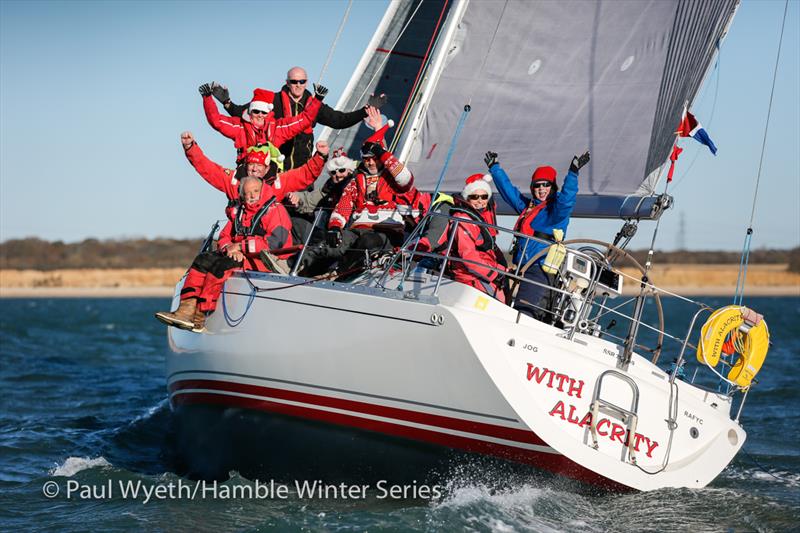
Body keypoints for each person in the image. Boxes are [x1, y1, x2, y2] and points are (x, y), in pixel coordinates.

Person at [154, 177, 294, 332]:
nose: (252, 196)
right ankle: (185, 311)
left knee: (220, 267)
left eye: (255, 191)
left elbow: (276, 244)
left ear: (263, 190)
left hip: (266, 261)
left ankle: (201, 316)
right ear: (242, 196)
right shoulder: (240, 212)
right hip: (239, 255)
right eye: (247, 193)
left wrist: (240, 247)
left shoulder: (276, 210)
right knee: (203, 259)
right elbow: (224, 236)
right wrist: (229, 248)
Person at [211, 67, 387, 169]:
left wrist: (366, 110)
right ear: (287, 82)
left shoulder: (314, 104)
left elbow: (339, 120)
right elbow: (245, 115)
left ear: (306, 82)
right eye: (294, 82)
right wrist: (226, 102)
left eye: (302, 82)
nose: (298, 85)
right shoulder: (272, 100)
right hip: (275, 168)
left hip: (302, 169)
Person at [485, 150, 590, 320]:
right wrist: (495, 168)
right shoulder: (529, 208)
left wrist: (573, 174)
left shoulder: (555, 211)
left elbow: (567, 200)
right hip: (522, 269)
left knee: (524, 314)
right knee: (512, 310)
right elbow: (510, 193)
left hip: (540, 269)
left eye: (546, 185)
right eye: (537, 185)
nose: (541, 189)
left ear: (553, 186)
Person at [326, 121, 427, 272]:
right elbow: (343, 206)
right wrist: (335, 227)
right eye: (367, 158)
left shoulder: (393, 179)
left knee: (368, 242)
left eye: (375, 157)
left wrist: (383, 153)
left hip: (387, 233)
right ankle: (303, 276)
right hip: (358, 229)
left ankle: (340, 274)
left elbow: (406, 179)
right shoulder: (356, 181)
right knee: (328, 244)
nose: (371, 162)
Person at [180, 132, 329, 218]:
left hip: (267, 237)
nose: (255, 169)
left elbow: (305, 175)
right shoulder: (233, 180)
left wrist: (320, 156)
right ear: (246, 165)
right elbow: (208, 169)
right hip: (238, 233)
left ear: (267, 167)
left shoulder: (279, 181)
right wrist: (190, 147)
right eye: (252, 165)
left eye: (259, 166)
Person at [199, 82, 327, 171]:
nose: (260, 115)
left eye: (263, 112)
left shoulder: (278, 128)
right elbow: (216, 121)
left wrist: (317, 99)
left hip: (270, 176)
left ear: (269, 113)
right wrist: (207, 98)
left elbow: (305, 120)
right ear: (250, 112)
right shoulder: (240, 127)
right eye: (256, 111)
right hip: (246, 175)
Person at [447, 174, 507, 302]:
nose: (480, 200)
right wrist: (494, 274)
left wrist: (504, 270)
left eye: (484, 196)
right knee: (499, 303)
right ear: (467, 198)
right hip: (468, 276)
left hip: (479, 273)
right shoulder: (463, 220)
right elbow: (468, 255)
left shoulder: (477, 218)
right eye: (475, 197)